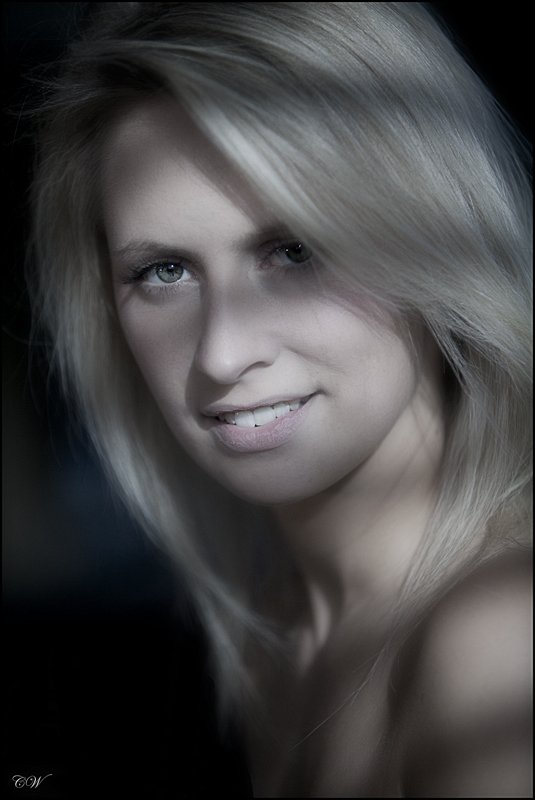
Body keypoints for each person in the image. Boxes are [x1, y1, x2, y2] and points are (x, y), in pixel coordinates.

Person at [24, 2, 532, 796]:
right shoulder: (264, 642)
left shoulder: (499, 640)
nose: (222, 353)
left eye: (294, 250)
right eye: (164, 271)